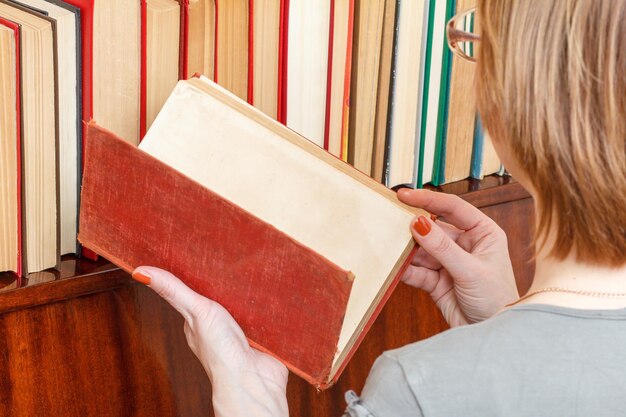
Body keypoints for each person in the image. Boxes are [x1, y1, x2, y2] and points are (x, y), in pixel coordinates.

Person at [130, 0, 626, 415]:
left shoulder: (418, 388)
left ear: (513, 99)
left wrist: (250, 400)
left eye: (480, 46)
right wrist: (504, 325)